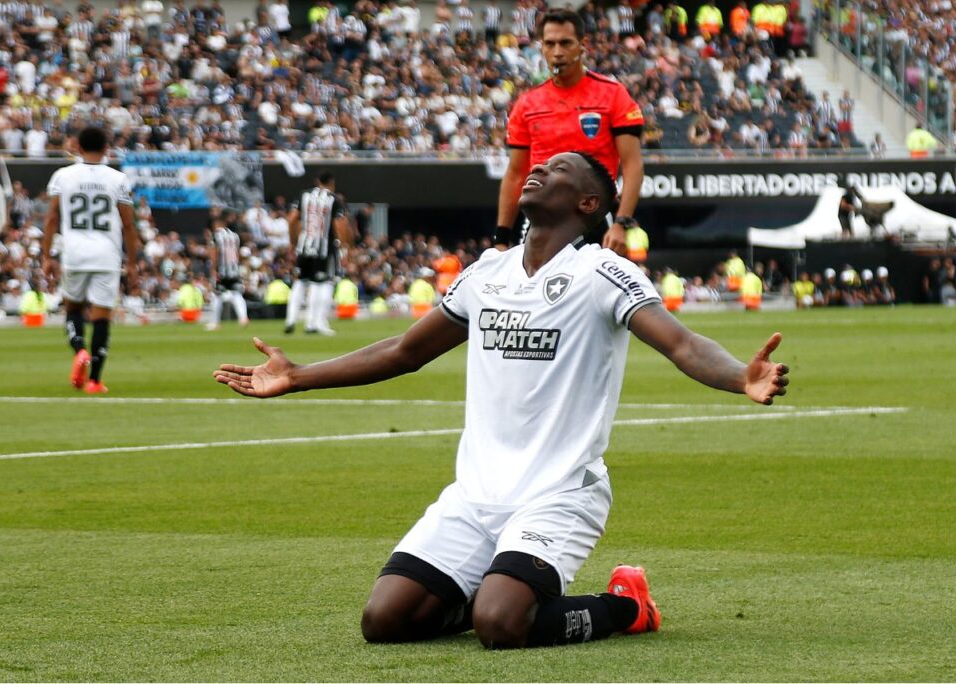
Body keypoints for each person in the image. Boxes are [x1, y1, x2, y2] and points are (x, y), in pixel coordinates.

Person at [214, 151, 789, 650]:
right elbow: (403, 351)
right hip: (476, 494)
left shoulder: (601, 272)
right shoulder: (487, 272)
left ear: (589, 204)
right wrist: (299, 375)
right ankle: (490, 586)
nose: (537, 169)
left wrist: (741, 376)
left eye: (558, 169)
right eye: (537, 165)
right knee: (384, 620)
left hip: (559, 493)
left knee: (501, 625)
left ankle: (627, 606)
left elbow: (682, 343)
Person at [495, 8, 644, 256]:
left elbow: (633, 165)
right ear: (541, 47)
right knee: (532, 292)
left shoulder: (613, 95)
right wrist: (501, 237)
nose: (557, 52)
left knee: (596, 293)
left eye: (565, 43)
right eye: (550, 44)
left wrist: (621, 222)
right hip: (541, 217)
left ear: (582, 45)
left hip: (594, 215)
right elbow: (515, 174)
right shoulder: (527, 103)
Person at [41, 126, 138, 394]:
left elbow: (51, 218)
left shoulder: (63, 176)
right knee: (102, 317)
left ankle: (79, 349)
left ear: (78, 147)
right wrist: (132, 262)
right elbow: (129, 225)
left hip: (74, 253)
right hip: (107, 255)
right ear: (107, 149)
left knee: (73, 308)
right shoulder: (117, 179)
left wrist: (47, 256)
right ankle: (95, 380)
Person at [285, 172, 354, 335]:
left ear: (318, 181)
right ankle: (315, 322)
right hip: (325, 249)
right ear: (332, 183)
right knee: (324, 284)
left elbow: (292, 219)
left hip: (304, 246)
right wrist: (344, 246)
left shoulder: (304, 195)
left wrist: (293, 241)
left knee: (300, 282)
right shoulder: (334, 199)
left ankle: (290, 319)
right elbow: (340, 224)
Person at [205, 220, 250, 330]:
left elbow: (215, 253)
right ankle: (243, 318)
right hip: (234, 270)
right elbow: (237, 253)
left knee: (217, 296)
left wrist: (213, 269)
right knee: (237, 294)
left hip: (222, 271)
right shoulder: (235, 236)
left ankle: (215, 323)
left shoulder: (216, 236)